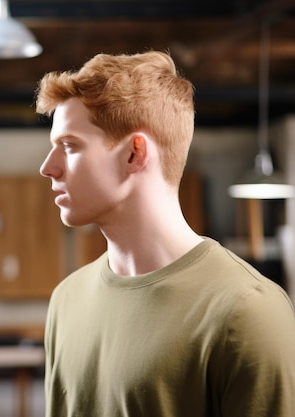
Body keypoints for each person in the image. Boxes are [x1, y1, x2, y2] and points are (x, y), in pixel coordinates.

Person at [36, 50, 295, 417]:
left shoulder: (246, 311)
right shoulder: (67, 299)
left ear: (134, 154)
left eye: (69, 146)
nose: (48, 168)